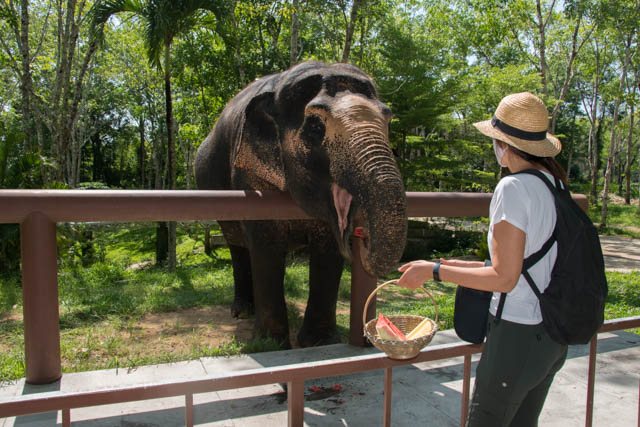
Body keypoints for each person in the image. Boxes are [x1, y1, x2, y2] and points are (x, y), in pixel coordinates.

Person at [397, 92, 569, 426]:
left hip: (517, 337)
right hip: (551, 337)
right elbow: (524, 265)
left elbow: (505, 279)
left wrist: (434, 272)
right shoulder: (554, 185)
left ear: (505, 145)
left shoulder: (513, 188)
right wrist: (445, 265)